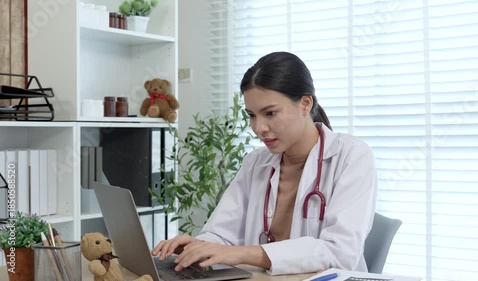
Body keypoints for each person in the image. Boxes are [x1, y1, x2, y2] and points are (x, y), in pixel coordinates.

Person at [152, 51, 378, 275]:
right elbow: (221, 233)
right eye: (251, 115)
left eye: (270, 113)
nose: (259, 128)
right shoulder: (256, 163)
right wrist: (199, 246)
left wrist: (243, 253)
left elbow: (340, 252)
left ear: (305, 104)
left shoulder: (351, 156)